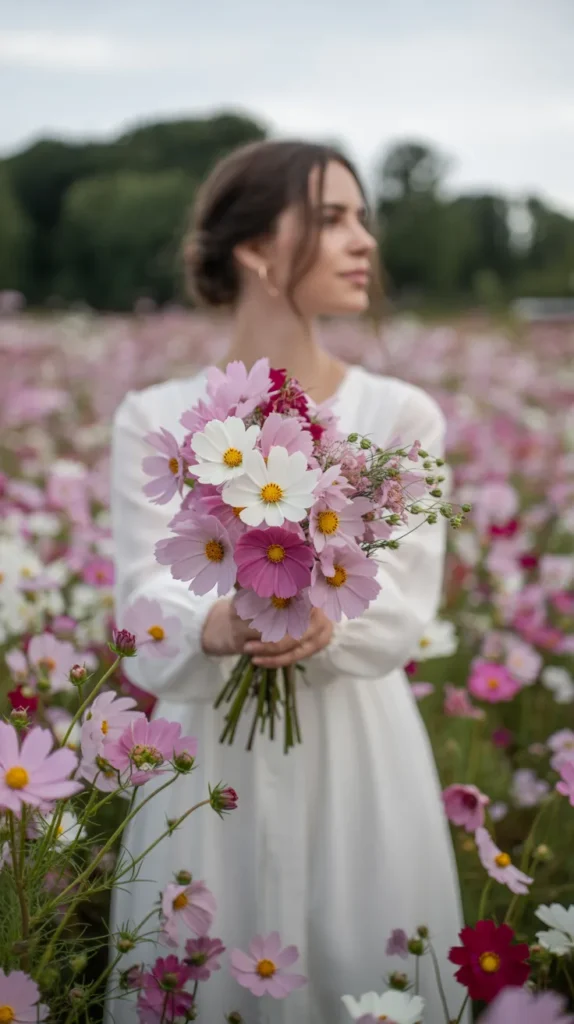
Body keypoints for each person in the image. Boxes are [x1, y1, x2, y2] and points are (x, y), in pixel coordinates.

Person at [107, 139, 469, 1024]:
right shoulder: (156, 419)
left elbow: (403, 606)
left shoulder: (399, 415)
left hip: (357, 752)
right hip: (206, 763)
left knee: (364, 964)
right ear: (256, 250)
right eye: (333, 218)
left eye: (363, 218)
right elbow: (142, 610)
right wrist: (218, 624)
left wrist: (327, 624)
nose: (364, 242)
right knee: (208, 966)